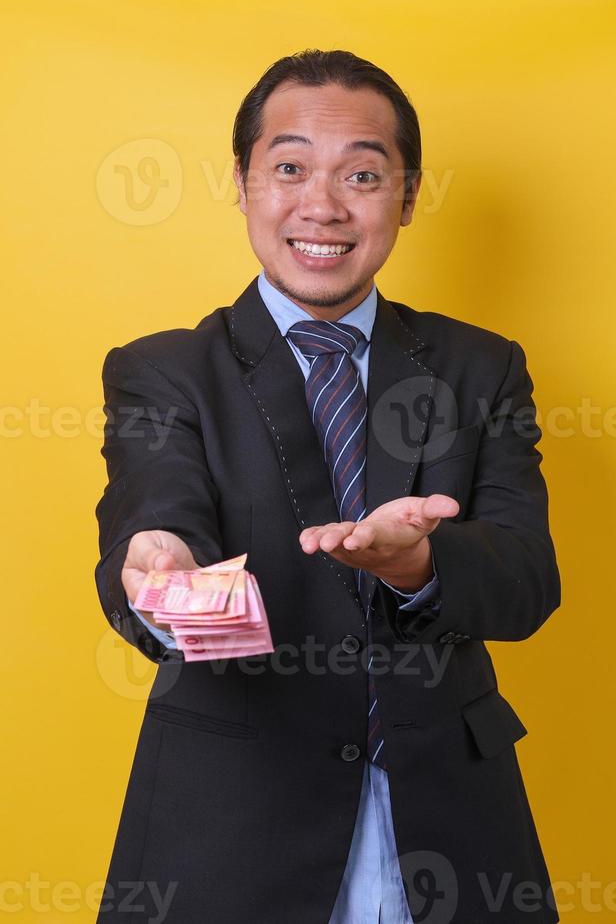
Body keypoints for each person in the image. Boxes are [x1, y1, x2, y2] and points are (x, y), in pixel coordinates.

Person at [94, 49, 561, 923]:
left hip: (456, 832)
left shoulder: (481, 368)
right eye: (289, 167)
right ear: (242, 182)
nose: (323, 205)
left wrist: (422, 567)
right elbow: (157, 509)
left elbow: (530, 580)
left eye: (362, 174)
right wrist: (162, 570)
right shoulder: (163, 371)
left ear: (409, 196)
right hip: (231, 831)